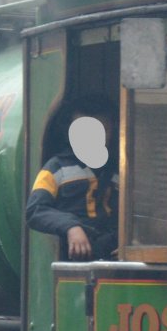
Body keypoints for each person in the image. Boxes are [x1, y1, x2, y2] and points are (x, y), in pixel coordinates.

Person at [25, 101, 118, 261]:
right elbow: (36, 210)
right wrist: (71, 227)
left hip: (112, 253)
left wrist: (127, 242)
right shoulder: (55, 168)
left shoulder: (118, 170)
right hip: (73, 257)